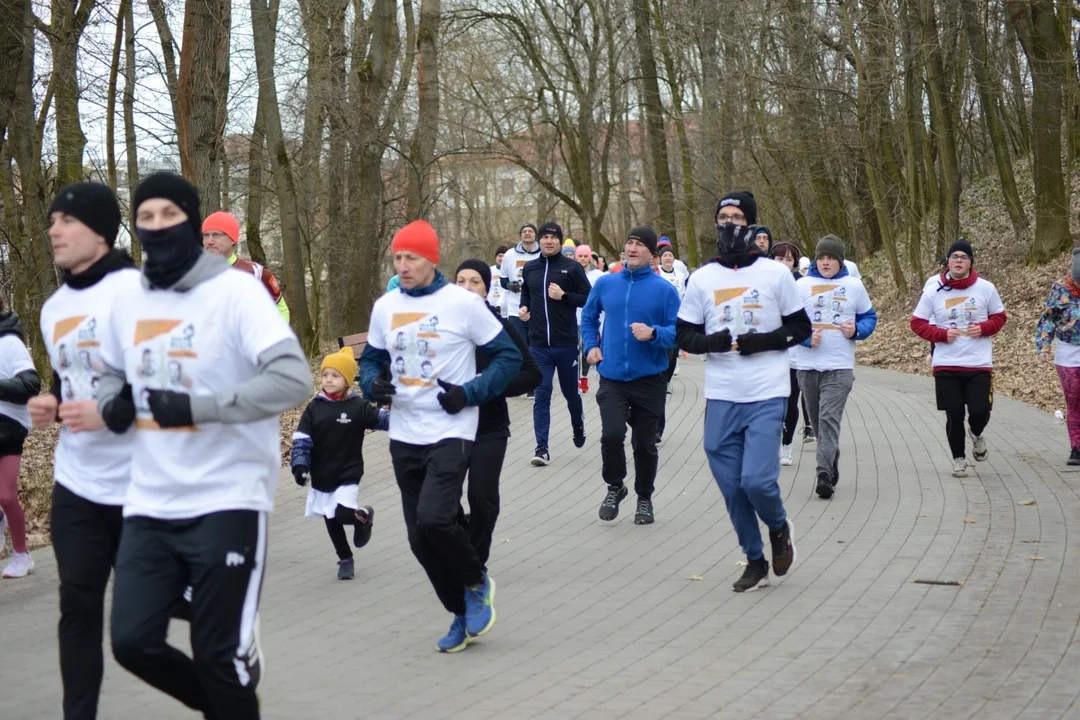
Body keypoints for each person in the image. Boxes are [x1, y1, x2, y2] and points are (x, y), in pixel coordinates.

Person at [96, 172, 310, 718]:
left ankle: (231, 679)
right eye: (146, 218)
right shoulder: (127, 297)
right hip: (150, 499)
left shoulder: (236, 291)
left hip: (229, 496)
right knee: (132, 641)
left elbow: (293, 380)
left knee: (217, 655)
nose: (157, 227)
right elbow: (108, 373)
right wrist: (111, 400)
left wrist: (199, 408)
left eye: (170, 216)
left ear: (194, 223)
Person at [360, 220, 521, 654]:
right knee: (418, 538)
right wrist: (373, 383)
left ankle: (475, 580)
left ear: (432, 259)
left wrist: (470, 393)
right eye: (397, 257)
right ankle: (460, 612)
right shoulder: (385, 306)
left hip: (453, 427)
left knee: (435, 518)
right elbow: (371, 359)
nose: (404, 265)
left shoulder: (463, 304)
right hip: (404, 431)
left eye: (411, 257)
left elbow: (509, 357)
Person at [28, 181, 141, 716]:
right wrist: (51, 401)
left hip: (144, 484)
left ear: (99, 230)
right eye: (52, 221)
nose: (53, 230)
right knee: (77, 605)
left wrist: (110, 411)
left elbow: (174, 387)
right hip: (78, 484)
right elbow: (67, 378)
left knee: (141, 626)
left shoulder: (140, 295)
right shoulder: (54, 309)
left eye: (66, 221)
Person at [677, 191, 809, 592]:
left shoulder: (775, 275)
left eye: (737, 218)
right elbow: (684, 333)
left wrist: (767, 341)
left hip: (767, 391)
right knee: (732, 487)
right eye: (723, 217)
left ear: (749, 226)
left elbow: (800, 329)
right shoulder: (702, 278)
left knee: (757, 482)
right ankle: (754, 559)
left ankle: (778, 527)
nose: (729, 224)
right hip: (721, 395)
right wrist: (709, 343)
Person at [581, 226, 679, 525]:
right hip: (611, 377)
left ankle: (644, 497)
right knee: (611, 435)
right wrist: (591, 345)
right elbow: (588, 317)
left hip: (650, 379)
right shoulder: (607, 284)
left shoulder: (665, 290)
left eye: (640, 244)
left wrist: (654, 334)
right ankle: (615, 486)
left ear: (653, 255)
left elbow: (680, 332)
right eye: (630, 242)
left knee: (644, 445)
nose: (633, 248)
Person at [454, 260, 540, 569]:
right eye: (460, 281)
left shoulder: (499, 327)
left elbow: (532, 374)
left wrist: (489, 385)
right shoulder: (441, 329)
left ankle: (475, 561)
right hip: (448, 428)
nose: (466, 287)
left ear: (487, 290)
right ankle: (461, 543)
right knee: (442, 504)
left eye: (474, 282)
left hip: (489, 427)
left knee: (482, 499)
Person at [911, 239, 1006, 477]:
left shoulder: (986, 288)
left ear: (970, 262)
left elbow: (999, 316)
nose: (959, 261)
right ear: (948, 262)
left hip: (978, 363)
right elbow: (917, 322)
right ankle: (959, 458)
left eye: (964, 258)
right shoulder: (934, 289)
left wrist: (983, 328)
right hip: (946, 363)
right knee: (953, 413)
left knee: (980, 409)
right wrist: (941, 334)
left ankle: (976, 434)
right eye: (955, 257)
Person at [291, 347, 387, 580]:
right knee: (331, 519)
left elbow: (382, 420)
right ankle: (345, 559)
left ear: (346, 379)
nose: (329, 380)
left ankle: (363, 515)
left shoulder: (358, 406)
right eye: (325, 375)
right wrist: (300, 466)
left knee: (342, 514)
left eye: (335, 375)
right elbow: (302, 440)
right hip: (322, 474)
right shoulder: (314, 408)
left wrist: (393, 404)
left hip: (348, 472)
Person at [794, 236, 877, 498]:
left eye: (831, 258)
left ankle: (823, 474)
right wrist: (806, 338)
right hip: (807, 366)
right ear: (816, 260)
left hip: (839, 366)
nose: (826, 262)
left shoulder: (853, 286)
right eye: (822, 257)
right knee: (818, 423)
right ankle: (831, 455)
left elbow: (869, 317)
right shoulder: (802, 285)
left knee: (829, 418)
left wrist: (856, 330)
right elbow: (786, 321)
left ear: (840, 260)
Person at [518, 221, 592, 466]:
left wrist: (565, 296)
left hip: (566, 343)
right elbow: (526, 293)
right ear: (539, 241)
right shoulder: (530, 268)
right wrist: (524, 308)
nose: (548, 241)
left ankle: (578, 424)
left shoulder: (571, 268)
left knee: (571, 394)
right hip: (538, 344)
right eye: (545, 237)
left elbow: (588, 298)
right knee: (542, 392)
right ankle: (542, 448)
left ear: (560, 241)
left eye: (553, 238)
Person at [0, 296, 41, 579]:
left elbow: (31, 384)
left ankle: (21, 554)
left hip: (9, 423)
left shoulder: (10, 343)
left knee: (5, 493)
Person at [201, 211, 290, 322]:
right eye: (206, 235)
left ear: (233, 239)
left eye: (216, 235)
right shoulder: (189, 274)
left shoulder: (256, 273)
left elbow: (280, 311)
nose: (209, 241)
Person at [1035, 248, 1080, 465]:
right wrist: (1044, 346)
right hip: (1068, 353)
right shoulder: (1060, 289)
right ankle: (1077, 448)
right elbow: (1048, 320)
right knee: (1073, 401)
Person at [768, 242, 805, 465]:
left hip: (794, 354)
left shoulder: (802, 286)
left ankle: (787, 444)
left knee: (791, 401)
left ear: (795, 264)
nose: (783, 264)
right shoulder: (760, 283)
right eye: (779, 259)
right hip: (766, 352)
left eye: (789, 259)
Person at [499, 223, 541, 348]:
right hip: (515, 308)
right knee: (520, 346)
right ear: (520, 236)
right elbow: (502, 280)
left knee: (536, 347)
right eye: (524, 231)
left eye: (530, 231)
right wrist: (510, 285)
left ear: (535, 235)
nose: (527, 233)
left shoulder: (542, 254)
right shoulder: (509, 255)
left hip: (537, 308)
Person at [575, 244, 605, 393]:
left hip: (593, 319)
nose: (582, 259)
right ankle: (578, 379)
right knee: (576, 350)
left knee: (586, 348)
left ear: (590, 258)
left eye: (585, 256)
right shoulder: (571, 273)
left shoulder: (599, 276)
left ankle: (584, 376)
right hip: (574, 318)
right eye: (579, 256)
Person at [488, 246, 508, 315]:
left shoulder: (509, 272)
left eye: (504, 256)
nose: (502, 258)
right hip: (491, 309)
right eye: (500, 256)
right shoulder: (489, 271)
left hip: (506, 311)